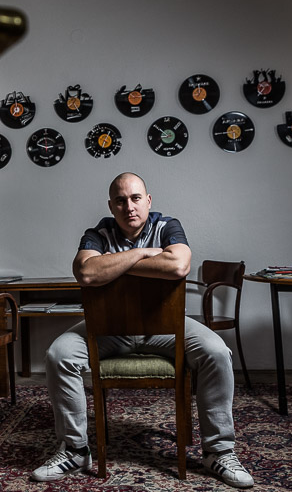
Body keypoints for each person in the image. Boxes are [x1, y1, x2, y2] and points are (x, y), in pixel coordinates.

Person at [30, 172, 254, 488]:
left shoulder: (168, 226)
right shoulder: (97, 233)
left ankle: (218, 452)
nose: (129, 207)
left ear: (148, 201)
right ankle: (75, 451)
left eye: (135, 198)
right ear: (111, 206)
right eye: (120, 201)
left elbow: (178, 265)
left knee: (217, 352)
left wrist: (113, 264)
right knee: (58, 355)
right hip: (109, 329)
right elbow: (87, 273)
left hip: (166, 326)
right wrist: (143, 253)